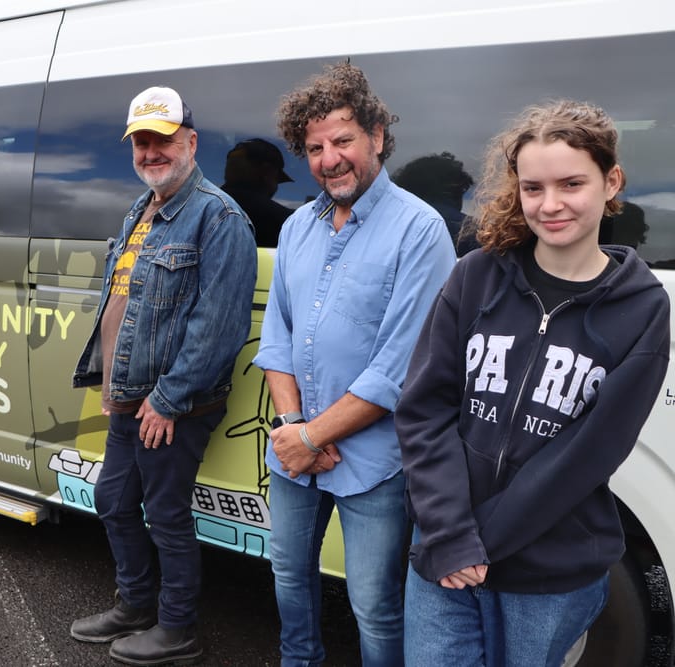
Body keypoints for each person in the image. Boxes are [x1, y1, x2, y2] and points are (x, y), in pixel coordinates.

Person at [395, 100, 670, 665]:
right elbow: (424, 409)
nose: (551, 205)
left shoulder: (643, 308)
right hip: (444, 551)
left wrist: (481, 542)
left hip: (551, 573)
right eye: (533, 187)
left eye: (571, 183)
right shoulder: (475, 275)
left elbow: (590, 452)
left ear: (611, 180)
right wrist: (449, 534)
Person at [253, 62, 456, 666]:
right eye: (314, 148)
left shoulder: (420, 230)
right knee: (289, 581)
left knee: (374, 605)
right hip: (295, 450)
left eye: (342, 140)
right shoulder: (296, 228)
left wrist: (314, 434)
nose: (329, 159)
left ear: (376, 136)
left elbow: (399, 368)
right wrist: (294, 431)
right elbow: (277, 337)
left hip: (375, 462)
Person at [71, 86, 257, 665]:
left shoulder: (220, 217)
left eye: (164, 139)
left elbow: (218, 328)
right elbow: (124, 306)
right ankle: (135, 604)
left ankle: (176, 629)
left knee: (167, 514)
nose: (151, 151)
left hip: (177, 403)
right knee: (114, 500)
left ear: (191, 142)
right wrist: (112, 382)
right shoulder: (142, 207)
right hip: (132, 398)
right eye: (142, 141)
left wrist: (168, 399)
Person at [221, 138, 295, 246]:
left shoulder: (200, 208)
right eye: (276, 179)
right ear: (268, 172)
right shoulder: (289, 222)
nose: (275, 187)